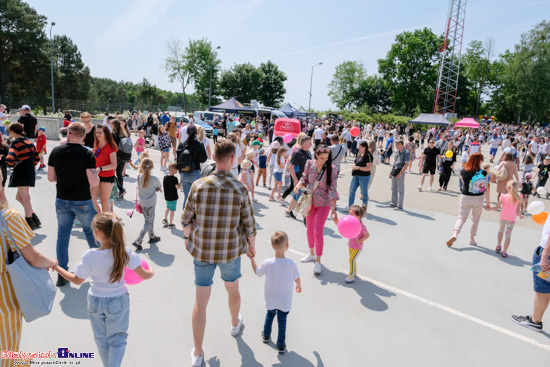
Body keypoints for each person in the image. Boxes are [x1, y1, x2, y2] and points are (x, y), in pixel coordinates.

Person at [181, 138, 256, 367]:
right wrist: (252, 247)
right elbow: (249, 224)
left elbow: (186, 219)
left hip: (202, 250)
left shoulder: (199, 185)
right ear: (233, 160)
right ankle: (234, 323)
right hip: (229, 250)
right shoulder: (240, 188)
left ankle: (198, 352)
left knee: (200, 300)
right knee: (232, 289)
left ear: (213, 157)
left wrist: (187, 238)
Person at [55, 212, 154, 367]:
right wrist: (151, 272)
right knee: (118, 339)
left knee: (101, 340)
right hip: (118, 301)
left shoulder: (90, 255)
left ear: (99, 233)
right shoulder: (124, 252)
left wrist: (57, 268)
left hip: (95, 301)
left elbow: (77, 280)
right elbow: (145, 275)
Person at [0, 203, 57, 367]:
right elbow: (33, 257)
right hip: (4, 294)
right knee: (6, 352)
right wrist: (51, 263)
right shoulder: (8, 218)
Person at [48, 122, 100, 286]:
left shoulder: (56, 151)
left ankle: (62, 274)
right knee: (92, 234)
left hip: (62, 199)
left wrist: (64, 178)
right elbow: (93, 181)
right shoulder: (87, 154)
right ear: (84, 136)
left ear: (68, 134)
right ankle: (100, 269)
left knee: (62, 236)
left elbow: (51, 177)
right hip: (82, 199)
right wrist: (96, 174)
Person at [250, 230, 301, 354]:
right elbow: (297, 278)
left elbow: (257, 272)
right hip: (284, 299)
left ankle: (266, 335)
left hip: (271, 297)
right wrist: (299, 286)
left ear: (272, 246)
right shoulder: (291, 264)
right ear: (287, 246)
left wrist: (252, 259)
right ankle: (281, 344)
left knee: (270, 314)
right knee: (282, 320)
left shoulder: (267, 263)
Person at [294, 144, 339, 275]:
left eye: (326, 157)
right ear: (316, 156)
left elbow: (332, 189)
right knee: (309, 229)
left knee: (318, 231)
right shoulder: (309, 164)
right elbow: (304, 178)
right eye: (321, 158)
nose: (324, 160)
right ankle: (311, 254)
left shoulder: (332, 168)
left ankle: (318, 261)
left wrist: (334, 209)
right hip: (310, 202)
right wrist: (299, 184)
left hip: (324, 204)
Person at [511, 212, 550, 333]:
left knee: (543, 289)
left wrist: (545, 253)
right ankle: (535, 320)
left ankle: (535, 321)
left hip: (547, 253)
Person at [447, 153, 490, 247]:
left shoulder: (463, 171)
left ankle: (455, 234)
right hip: (478, 198)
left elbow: (463, 183)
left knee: (461, 217)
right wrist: (488, 202)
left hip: (465, 196)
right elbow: (486, 188)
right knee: (475, 219)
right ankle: (471, 239)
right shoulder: (483, 172)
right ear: (480, 161)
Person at [6, 123, 40, 229]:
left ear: (14, 132)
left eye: (9, 131)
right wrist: (30, 164)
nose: (8, 133)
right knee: (20, 197)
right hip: (29, 170)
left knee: (25, 197)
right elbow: (37, 157)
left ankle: (29, 220)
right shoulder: (29, 141)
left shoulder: (15, 144)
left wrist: (13, 164)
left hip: (21, 171)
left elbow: (10, 159)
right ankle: (33, 217)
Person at [489, 180, 523, 258]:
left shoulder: (503, 196)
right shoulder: (518, 197)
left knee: (501, 231)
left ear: (507, 188)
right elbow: (518, 210)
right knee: (508, 235)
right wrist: (520, 216)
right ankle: (504, 251)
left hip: (503, 217)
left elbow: (497, 207)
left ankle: (498, 246)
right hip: (511, 219)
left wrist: (489, 208)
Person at [132, 158, 161, 251]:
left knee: (149, 219)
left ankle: (152, 236)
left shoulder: (139, 177)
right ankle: (138, 240)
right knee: (148, 221)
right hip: (151, 203)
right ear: (152, 167)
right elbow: (158, 187)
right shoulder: (154, 178)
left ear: (141, 166)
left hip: (142, 203)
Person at [336, 205, 369, 283]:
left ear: (358, 216)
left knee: (351, 259)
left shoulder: (361, 226)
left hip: (357, 247)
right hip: (350, 245)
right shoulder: (350, 223)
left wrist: (360, 240)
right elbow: (343, 226)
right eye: (349, 214)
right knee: (353, 260)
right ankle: (354, 272)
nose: (349, 216)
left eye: (352, 215)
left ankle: (351, 276)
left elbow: (367, 235)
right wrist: (337, 221)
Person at [177, 124, 207, 208]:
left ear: (186, 133)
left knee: (186, 197)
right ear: (196, 133)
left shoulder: (181, 145)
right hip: (195, 172)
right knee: (197, 198)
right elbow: (203, 159)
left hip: (184, 173)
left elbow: (178, 161)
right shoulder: (199, 144)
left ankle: (184, 219)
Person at [91, 125, 117, 213]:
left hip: (107, 176)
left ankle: (107, 224)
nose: (98, 134)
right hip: (97, 175)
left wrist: (101, 168)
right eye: (96, 132)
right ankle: (100, 219)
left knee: (104, 202)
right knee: (92, 199)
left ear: (106, 134)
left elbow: (114, 165)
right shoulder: (96, 144)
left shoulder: (111, 146)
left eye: (100, 132)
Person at [348, 141, 373, 213]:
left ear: (364, 148)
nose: (358, 148)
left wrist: (358, 168)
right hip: (356, 175)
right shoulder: (359, 154)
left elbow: (369, 168)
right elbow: (356, 161)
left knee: (364, 193)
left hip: (364, 177)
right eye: (358, 147)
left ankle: (364, 208)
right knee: (351, 190)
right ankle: (350, 207)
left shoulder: (368, 156)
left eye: (360, 147)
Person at [111, 119, 131, 199]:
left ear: (114, 125)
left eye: (111, 124)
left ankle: (121, 189)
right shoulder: (123, 134)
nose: (110, 125)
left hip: (117, 156)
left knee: (111, 173)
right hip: (124, 156)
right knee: (119, 174)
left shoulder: (113, 134)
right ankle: (121, 194)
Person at [387, 139, 410, 210]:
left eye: (396, 144)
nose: (395, 146)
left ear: (400, 144)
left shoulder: (406, 152)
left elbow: (406, 164)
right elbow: (394, 163)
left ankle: (400, 206)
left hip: (400, 172)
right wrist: (391, 173)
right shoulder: (397, 152)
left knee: (400, 190)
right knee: (393, 189)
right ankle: (394, 203)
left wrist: (400, 174)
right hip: (395, 171)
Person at [162, 162, 180, 228]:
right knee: (172, 210)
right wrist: (180, 184)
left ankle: (165, 219)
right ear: (175, 170)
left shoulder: (165, 177)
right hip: (173, 197)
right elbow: (177, 187)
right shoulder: (175, 179)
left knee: (167, 208)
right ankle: (171, 223)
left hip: (167, 196)